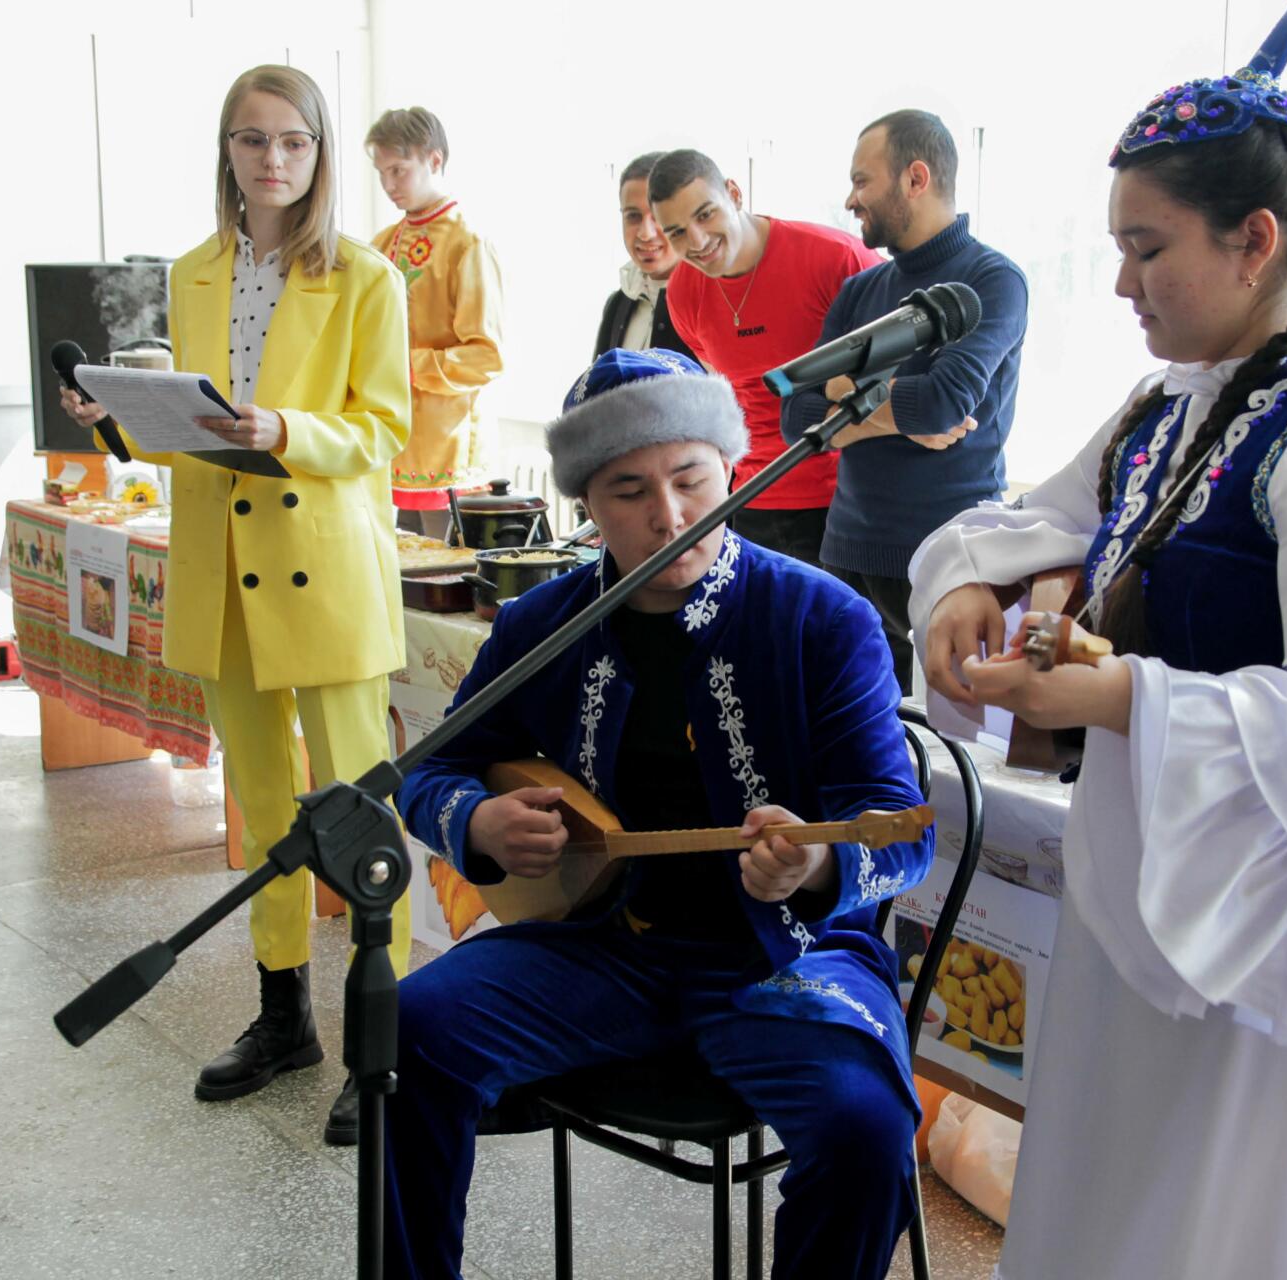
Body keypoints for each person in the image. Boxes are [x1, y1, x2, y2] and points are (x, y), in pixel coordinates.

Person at [910, 2, 1287, 1275]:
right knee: (1125, 1191)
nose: (1120, 284)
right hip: (1151, 861)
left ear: (1255, 241)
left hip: (1286, 908)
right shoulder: (1169, 405)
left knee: (1236, 1222)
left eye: (1146, 248)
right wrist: (960, 586)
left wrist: (1121, 696)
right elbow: (1025, 517)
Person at [385, 349, 932, 1280]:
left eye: (691, 478)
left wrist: (816, 866)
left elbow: (903, 830)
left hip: (786, 958)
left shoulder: (823, 618)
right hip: (599, 948)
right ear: (586, 504)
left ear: (731, 470)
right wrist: (475, 822)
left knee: (865, 1130)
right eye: (629, 490)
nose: (671, 516)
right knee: (406, 1028)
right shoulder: (541, 625)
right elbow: (426, 770)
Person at [59, 65, 413, 1147]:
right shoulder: (193, 272)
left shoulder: (365, 276)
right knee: (264, 812)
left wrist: (286, 431)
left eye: (294, 141)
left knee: (359, 814)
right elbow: (190, 430)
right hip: (221, 567)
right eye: (253, 140)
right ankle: (282, 1015)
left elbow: (384, 430)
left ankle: (383, 1043)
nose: (273, 160)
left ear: (320, 153)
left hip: (323, 568)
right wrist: (117, 417)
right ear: (227, 151)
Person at [782, 109, 1027, 692]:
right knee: (848, 727)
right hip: (846, 553)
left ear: (916, 178)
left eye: (861, 181)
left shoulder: (993, 279)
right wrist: (894, 415)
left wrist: (844, 391)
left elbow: (942, 403)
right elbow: (797, 416)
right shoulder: (859, 290)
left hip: (947, 557)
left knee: (937, 740)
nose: (850, 200)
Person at [649, 148, 880, 567]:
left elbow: (899, 363)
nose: (697, 242)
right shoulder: (683, 293)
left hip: (847, 499)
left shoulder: (836, 257)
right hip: (754, 498)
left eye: (705, 214)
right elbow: (732, 393)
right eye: (677, 232)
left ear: (735, 194)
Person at [366, 107, 504, 507]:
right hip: (390, 434)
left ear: (434, 160)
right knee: (394, 547)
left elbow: (486, 357)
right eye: (381, 173)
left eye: (398, 170)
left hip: (450, 445)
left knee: (445, 548)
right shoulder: (380, 245)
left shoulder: (469, 241)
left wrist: (406, 366)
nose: (388, 184)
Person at [594, 151, 698, 360]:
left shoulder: (711, 305)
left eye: (658, 215)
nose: (646, 233)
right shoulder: (617, 304)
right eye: (633, 216)